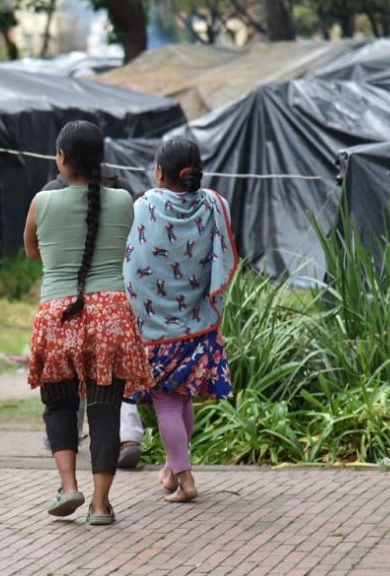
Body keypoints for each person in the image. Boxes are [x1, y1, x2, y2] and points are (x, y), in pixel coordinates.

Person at [24, 120, 153, 526]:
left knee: (59, 403)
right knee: (105, 408)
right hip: (111, 313)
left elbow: (32, 253)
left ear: (61, 158)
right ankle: (100, 505)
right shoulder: (122, 201)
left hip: (59, 313)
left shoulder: (40, 203)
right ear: (101, 160)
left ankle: (68, 486)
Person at [122, 138, 238, 503]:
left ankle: (186, 479)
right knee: (182, 400)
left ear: (158, 172)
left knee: (167, 404)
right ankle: (173, 470)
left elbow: (134, 261)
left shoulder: (144, 206)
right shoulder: (215, 204)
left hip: (155, 330)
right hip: (197, 323)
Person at [40, 169, 146, 470]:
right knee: (113, 384)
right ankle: (128, 438)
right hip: (112, 301)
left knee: (64, 387)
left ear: (62, 157)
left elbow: (37, 249)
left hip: (63, 301)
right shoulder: (123, 194)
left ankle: (65, 442)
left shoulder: (48, 194)